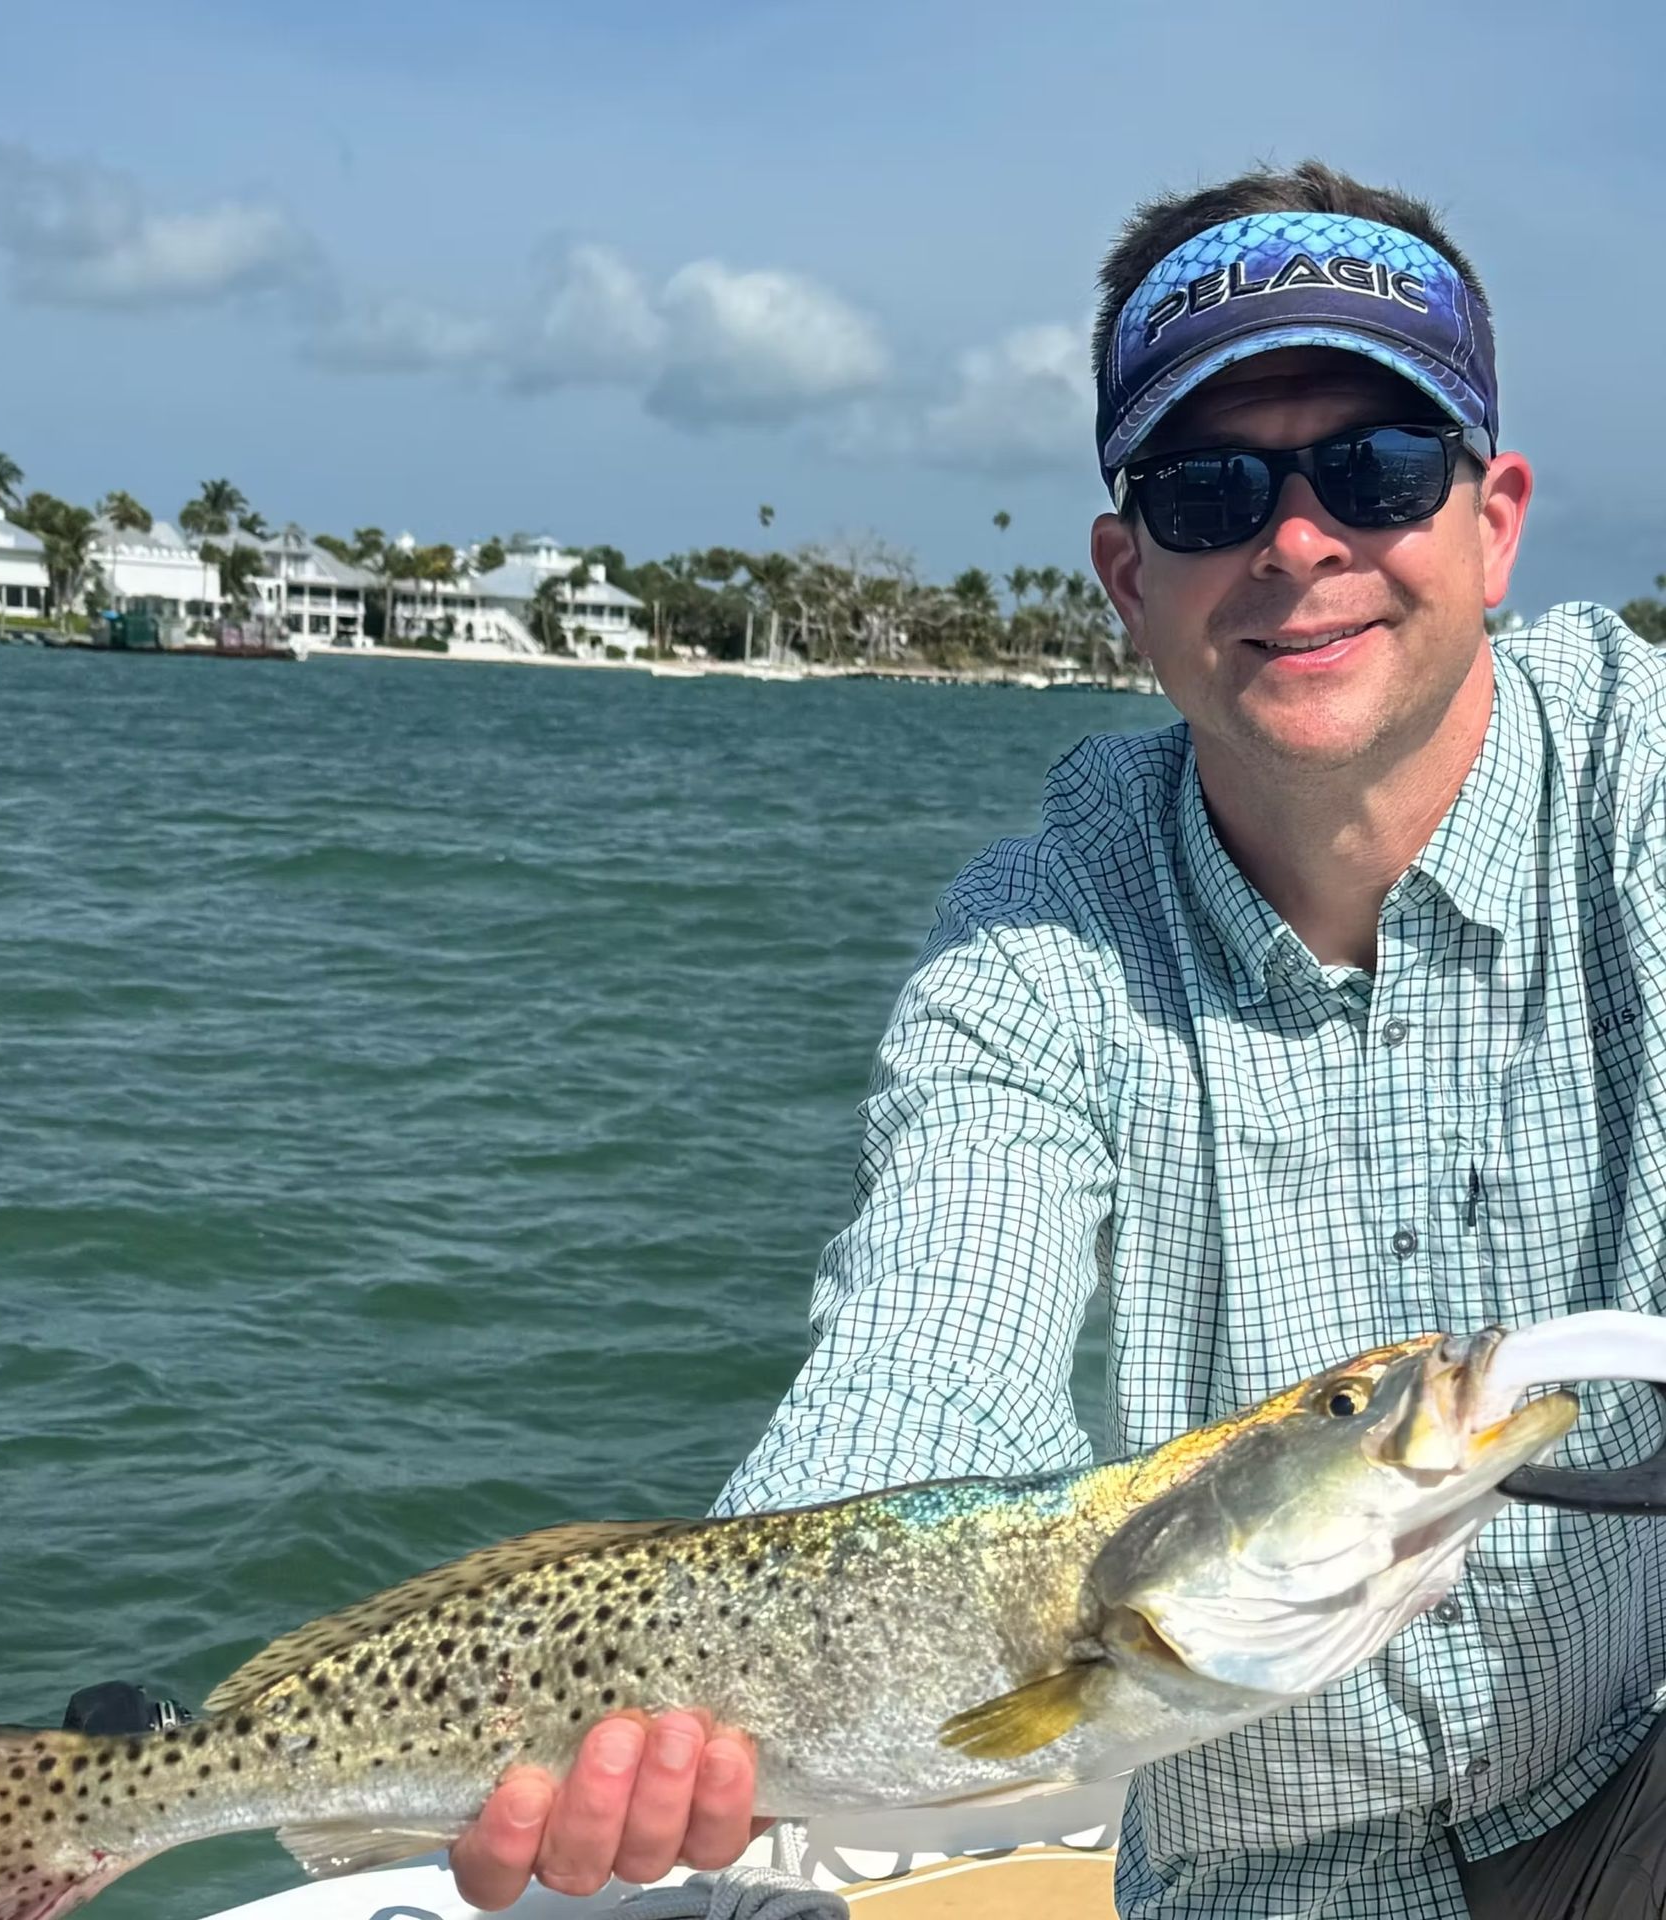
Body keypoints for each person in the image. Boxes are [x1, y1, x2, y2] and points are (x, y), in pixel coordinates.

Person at [450, 161, 1666, 1918]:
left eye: (1381, 468)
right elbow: (929, 1356)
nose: (1300, 538)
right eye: (1209, 487)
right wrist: (700, 1702)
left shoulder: (1639, 786)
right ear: (1127, 570)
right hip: (1269, 1883)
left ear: (1494, 521)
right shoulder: (1034, 948)